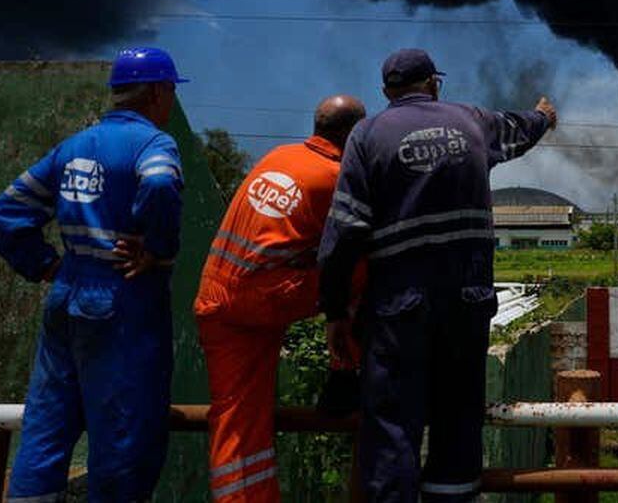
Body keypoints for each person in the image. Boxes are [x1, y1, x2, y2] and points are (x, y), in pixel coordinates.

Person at [318, 48, 557, 503]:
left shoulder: (367, 135)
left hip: (398, 306)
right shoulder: (472, 121)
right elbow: (520, 128)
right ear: (434, 83)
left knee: (392, 423)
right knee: (458, 416)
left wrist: (334, 309)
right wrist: (543, 116)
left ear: (387, 92)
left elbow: (346, 231)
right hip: (467, 302)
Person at [0, 47, 187, 502]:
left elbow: (9, 208)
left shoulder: (74, 146)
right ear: (159, 92)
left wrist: (45, 264)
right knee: (123, 434)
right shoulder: (154, 144)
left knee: (47, 426)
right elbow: (159, 182)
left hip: (66, 293)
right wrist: (157, 250)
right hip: (122, 299)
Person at [194, 94, 366, 503]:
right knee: (365, 267)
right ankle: (347, 373)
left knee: (237, 417)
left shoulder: (279, 155)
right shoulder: (335, 176)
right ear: (353, 134)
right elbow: (347, 256)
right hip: (263, 297)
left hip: (217, 297)